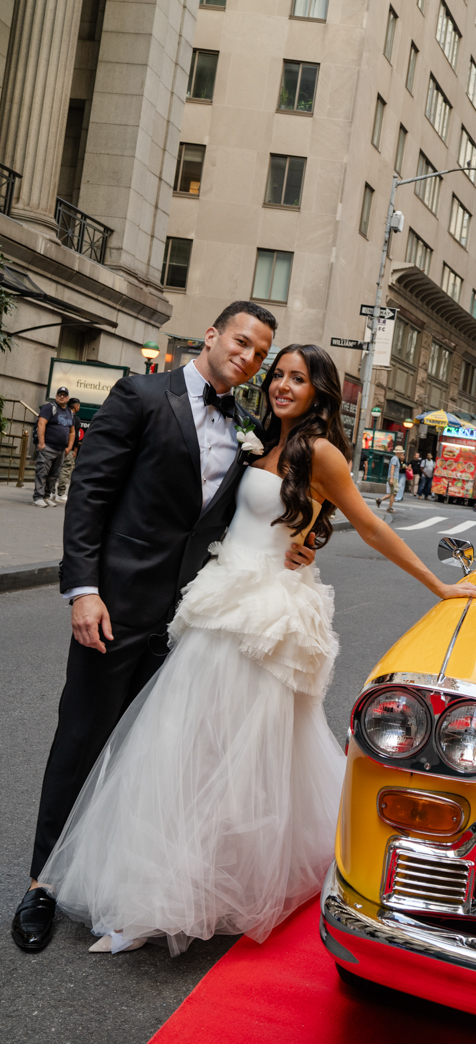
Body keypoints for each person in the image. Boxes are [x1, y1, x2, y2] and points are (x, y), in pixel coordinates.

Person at [34, 345, 476, 956]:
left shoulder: (321, 452)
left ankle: (191, 892)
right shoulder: (257, 436)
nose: (281, 385)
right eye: (277, 375)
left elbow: (371, 522)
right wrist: (300, 535)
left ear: (318, 392)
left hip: (264, 613)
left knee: (233, 758)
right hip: (219, 599)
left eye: (297, 379)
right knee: (185, 750)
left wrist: (436, 583)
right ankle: (159, 882)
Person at [11, 301, 316, 954]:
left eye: (260, 353)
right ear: (212, 336)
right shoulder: (141, 395)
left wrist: (302, 538)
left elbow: (259, 505)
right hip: (114, 609)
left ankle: (117, 883)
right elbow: (91, 493)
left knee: (154, 758)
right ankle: (41, 884)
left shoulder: (249, 429)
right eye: (241, 342)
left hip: (186, 620)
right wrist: (84, 589)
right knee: (82, 743)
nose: (249, 357)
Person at [33, 387, 75, 508]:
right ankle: (38, 497)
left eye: (64, 395)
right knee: (42, 473)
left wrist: (69, 447)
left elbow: (72, 432)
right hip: (48, 447)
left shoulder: (69, 412)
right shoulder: (49, 408)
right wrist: (41, 443)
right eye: (59, 394)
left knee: (53, 475)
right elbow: (41, 423)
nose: (61, 396)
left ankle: (46, 497)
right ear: (56, 396)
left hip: (61, 450)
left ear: (67, 398)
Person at [55, 399, 82, 502]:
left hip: (58, 446)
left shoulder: (63, 415)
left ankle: (51, 491)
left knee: (55, 469)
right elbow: (76, 436)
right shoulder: (75, 419)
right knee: (65, 470)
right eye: (78, 406)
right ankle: (60, 493)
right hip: (68, 448)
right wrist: (75, 449)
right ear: (76, 407)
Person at [375, 445, 404, 512]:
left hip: (393, 478)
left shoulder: (396, 459)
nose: (402, 453)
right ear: (398, 452)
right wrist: (391, 478)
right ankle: (390, 508)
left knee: (392, 493)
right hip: (393, 478)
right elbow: (392, 469)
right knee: (394, 493)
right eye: (401, 452)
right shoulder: (395, 458)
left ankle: (379, 500)